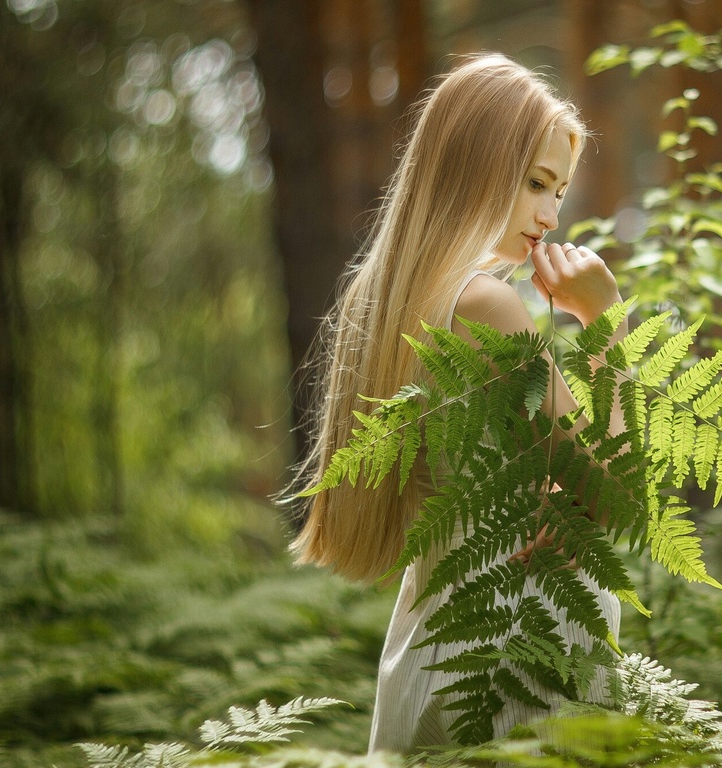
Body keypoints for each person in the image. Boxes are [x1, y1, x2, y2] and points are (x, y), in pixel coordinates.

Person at [285, 54, 627, 753]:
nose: (552, 216)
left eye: (559, 191)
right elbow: (613, 491)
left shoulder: (390, 300)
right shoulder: (487, 304)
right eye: (536, 183)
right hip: (511, 658)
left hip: (436, 642)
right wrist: (605, 320)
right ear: (475, 165)